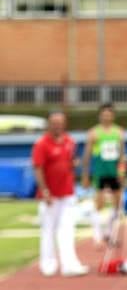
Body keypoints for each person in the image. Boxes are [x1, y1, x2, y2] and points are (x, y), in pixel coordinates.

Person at [31, 111, 89, 277]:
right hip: (50, 194)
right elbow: (38, 168)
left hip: (67, 192)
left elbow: (71, 161)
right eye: (54, 122)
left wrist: (74, 164)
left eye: (60, 122)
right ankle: (48, 264)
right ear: (49, 124)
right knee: (49, 229)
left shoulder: (70, 141)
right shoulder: (42, 144)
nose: (57, 125)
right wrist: (45, 190)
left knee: (68, 229)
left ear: (64, 124)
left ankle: (69, 264)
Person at [81, 103, 125, 244]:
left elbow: (122, 154)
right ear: (100, 116)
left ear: (113, 116)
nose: (106, 117)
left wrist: (122, 172)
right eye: (104, 114)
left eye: (109, 114)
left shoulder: (118, 132)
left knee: (117, 204)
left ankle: (109, 233)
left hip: (114, 172)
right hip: (100, 172)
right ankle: (97, 234)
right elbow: (87, 156)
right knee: (99, 204)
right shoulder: (93, 133)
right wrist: (85, 175)